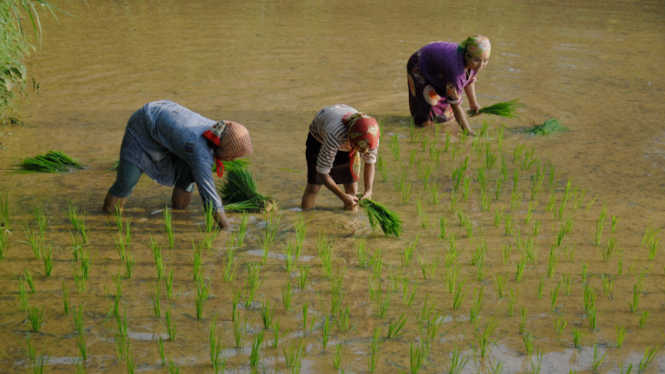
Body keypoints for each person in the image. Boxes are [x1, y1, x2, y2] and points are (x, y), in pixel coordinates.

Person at [102, 100, 252, 230]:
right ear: (225, 146)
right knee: (127, 180)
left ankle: (179, 215)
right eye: (233, 155)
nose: (233, 159)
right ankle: (107, 223)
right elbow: (209, 196)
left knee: (188, 175)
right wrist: (227, 229)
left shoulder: (218, 133)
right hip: (144, 124)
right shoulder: (199, 151)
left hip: (169, 127)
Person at [301, 104, 380, 211]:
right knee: (314, 186)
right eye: (361, 147)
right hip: (319, 138)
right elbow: (322, 172)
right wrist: (342, 196)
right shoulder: (335, 134)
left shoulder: (371, 135)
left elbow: (370, 163)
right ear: (352, 139)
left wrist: (368, 190)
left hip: (350, 138)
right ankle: (306, 218)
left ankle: (350, 224)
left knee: (352, 188)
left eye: (367, 147)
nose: (365, 151)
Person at [406, 35, 491, 133]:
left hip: (439, 66)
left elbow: (469, 79)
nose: (481, 65)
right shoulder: (456, 71)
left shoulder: (474, 63)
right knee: (428, 112)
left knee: (447, 116)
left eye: (485, 61)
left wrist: (473, 101)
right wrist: (467, 130)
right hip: (420, 64)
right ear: (467, 56)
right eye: (477, 60)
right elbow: (455, 104)